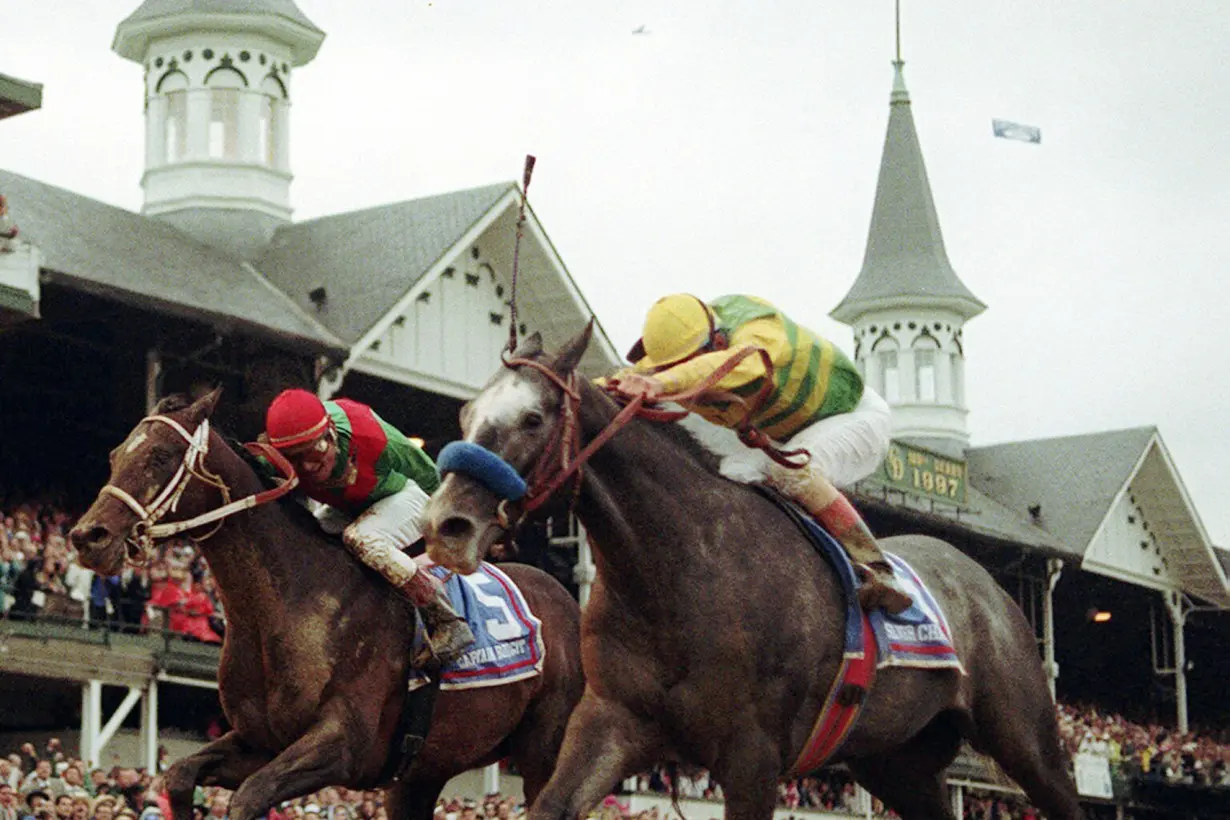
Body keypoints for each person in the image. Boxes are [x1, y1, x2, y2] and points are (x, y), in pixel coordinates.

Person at [607, 294, 912, 613]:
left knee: (793, 471)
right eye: (669, 366)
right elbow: (621, 380)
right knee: (729, 477)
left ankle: (878, 569)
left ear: (717, 340)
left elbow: (733, 364)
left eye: (683, 364)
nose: (676, 372)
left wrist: (660, 381)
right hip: (786, 434)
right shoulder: (682, 350)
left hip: (853, 415)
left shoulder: (759, 330)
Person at [263, 388, 474, 662]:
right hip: (351, 504)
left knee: (361, 538)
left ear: (331, 434)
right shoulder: (272, 459)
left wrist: (447, 522)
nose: (307, 467)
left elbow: (426, 473)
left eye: (314, 452)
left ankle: (447, 620)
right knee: (307, 540)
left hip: (412, 494)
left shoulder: (371, 435)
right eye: (292, 459)